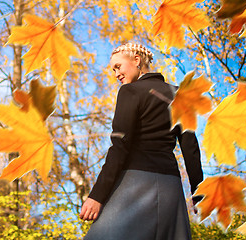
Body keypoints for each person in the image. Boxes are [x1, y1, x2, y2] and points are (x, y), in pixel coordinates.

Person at [79, 43, 203, 240]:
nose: (115, 74)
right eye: (113, 69)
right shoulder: (180, 95)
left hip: (135, 183)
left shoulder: (130, 91)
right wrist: (199, 193)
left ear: (136, 60)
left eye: (118, 67)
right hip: (170, 187)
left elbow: (120, 146)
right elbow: (190, 148)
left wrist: (97, 196)